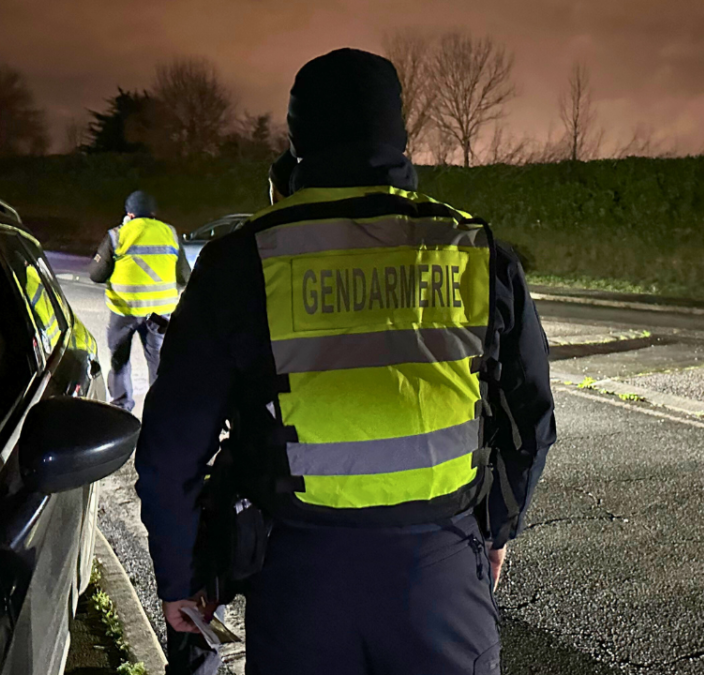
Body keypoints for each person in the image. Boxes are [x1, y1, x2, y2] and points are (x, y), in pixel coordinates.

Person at [134, 49, 556, 674]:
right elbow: (532, 417)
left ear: (299, 138)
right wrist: (496, 529)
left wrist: (180, 578)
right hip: (441, 573)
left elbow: (172, 447)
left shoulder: (240, 262)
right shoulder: (475, 250)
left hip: (298, 578)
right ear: (399, 133)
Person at [89, 190, 190, 411]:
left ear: (130, 214)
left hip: (125, 311)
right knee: (158, 361)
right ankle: (162, 407)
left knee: (119, 361)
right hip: (160, 313)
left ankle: (121, 407)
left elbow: (96, 275)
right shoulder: (169, 233)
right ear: (154, 213)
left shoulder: (118, 234)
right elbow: (184, 276)